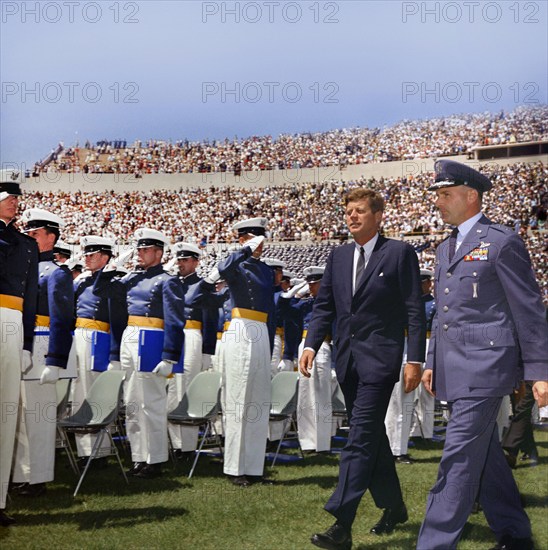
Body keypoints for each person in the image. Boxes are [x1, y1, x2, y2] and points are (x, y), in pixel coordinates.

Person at [417, 160, 548, 550]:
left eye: (446, 195)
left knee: (457, 457)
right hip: (454, 367)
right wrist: (430, 362)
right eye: (437, 195)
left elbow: (529, 309)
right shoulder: (445, 248)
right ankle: (514, 531)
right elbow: (444, 314)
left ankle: (434, 543)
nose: (439, 202)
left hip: (487, 366)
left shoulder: (501, 241)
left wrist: (540, 370)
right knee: (484, 451)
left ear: (471, 196)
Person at [300, 188, 426, 550]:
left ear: (378, 215)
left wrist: (414, 360)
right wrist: (311, 344)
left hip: (381, 361)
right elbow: (324, 306)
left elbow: (414, 310)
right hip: (347, 361)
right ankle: (394, 507)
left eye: (359, 211)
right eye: (348, 211)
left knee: (358, 439)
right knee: (371, 438)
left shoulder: (399, 253)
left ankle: (342, 522)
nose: (352, 216)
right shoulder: (338, 256)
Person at [94, 228, 185, 479]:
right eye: (139, 249)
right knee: (132, 402)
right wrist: (111, 267)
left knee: (152, 403)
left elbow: (175, 321)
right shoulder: (131, 278)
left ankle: (154, 458)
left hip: (152, 339)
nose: (140, 254)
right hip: (130, 338)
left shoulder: (167, 281)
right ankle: (138, 457)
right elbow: (101, 291)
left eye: (146, 250)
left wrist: (169, 356)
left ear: (159, 252)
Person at [200, 217, 275, 487]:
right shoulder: (235, 264)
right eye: (252, 239)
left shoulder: (266, 271)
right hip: (240, 328)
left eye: (260, 240)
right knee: (237, 400)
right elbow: (216, 272)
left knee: (258, 400)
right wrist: (243, 250)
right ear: (243, 239)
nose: (258, 245)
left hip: (261, 331)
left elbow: (272, 310)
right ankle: (234, 467)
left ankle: (254, 467)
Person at [12, 208, 74, 497]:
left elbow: (62, 319)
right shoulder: (25, 268)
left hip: (42, 346)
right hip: (23, 344)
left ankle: (38, 477)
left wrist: (56, 359)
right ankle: (23, 473)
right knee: (21, 415)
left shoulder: (56, 273)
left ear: (51, 237)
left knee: (38, 416)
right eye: (29, 233)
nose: (30, 238)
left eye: (35, 234)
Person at [0, 173, 39, 526]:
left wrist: (27, 341)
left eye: (16, 198)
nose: (14, 201)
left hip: (12, 323)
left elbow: (30, 298)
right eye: (7, 196)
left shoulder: (26, 245)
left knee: (6, 413)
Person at [167, 242, 216, 459]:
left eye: (186, 260)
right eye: (179, 260)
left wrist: (207, 352)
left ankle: (186, 446)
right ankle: (173, 441)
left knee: (185, 387)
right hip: (173, 336)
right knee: (170, 390)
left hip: (191, 336)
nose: (181, 264)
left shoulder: (202, 286)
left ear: (196, 262)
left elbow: (210, 319)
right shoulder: (172, 283)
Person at [72, 235, 117, 465]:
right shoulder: (81, 280)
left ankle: (100, 450)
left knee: (96, 392)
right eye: (86, 254)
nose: (86, 258)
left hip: (99, 336)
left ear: (104, 256)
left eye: (92, 254)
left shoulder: (113, 281)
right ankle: (84, 451)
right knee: (79, 392)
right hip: (78, 335)